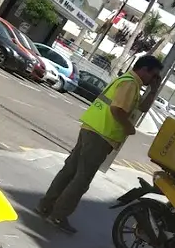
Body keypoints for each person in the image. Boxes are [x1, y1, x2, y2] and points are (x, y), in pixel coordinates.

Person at [37, 55, 163, 234]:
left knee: (70, 171)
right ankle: (58, 215)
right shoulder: (130, 84)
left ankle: (45, 205)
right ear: (144, 70)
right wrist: (128, 127)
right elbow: (117, 110)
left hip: (92, 128)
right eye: (154, 75)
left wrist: (153, 90)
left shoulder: (128, 81)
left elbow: (142, 108)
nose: (154, 79)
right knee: (81, 180)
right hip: (101, 135)